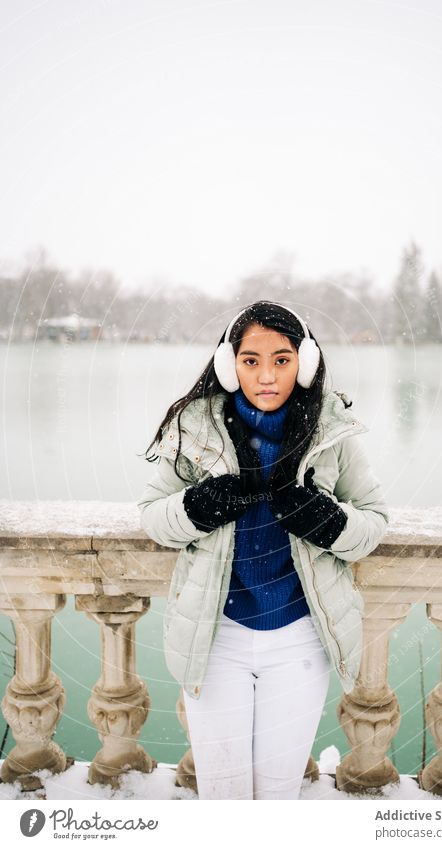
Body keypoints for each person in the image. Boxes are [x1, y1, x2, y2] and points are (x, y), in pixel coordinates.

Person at [137, 300, 389, 800]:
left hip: (300, 639)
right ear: (230, 366)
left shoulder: (333, 432)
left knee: (277, 791)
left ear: (306, 363)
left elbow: (374, 520)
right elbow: (152, 515)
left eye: (282, 359)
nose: (267, 375)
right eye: (251, 361)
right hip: (216, 637)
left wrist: (328, 521)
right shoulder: (196, 428)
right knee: (223, 791)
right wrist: (197, 507)